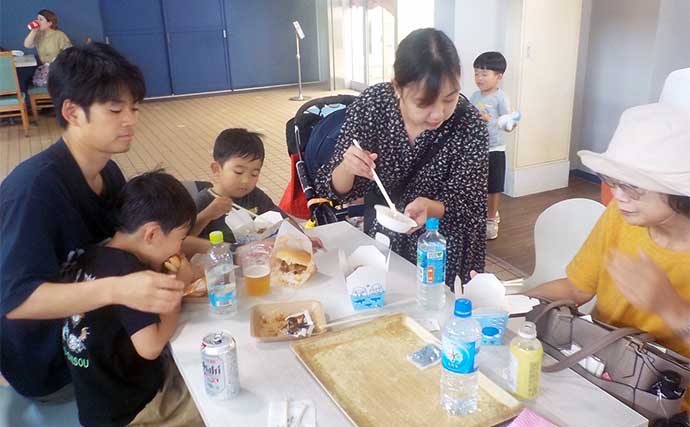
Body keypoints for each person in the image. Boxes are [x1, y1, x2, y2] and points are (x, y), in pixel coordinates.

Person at [0, 43, 184, 401]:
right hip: (59, 365)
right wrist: (118, 289)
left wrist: (209, 247)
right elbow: (15, 301)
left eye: (133, 108)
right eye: (115, 109)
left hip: (102, 339)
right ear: (72, 111)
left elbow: (134, 234)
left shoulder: (106, 171)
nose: (131, 120)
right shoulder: (33, 193)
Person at [525, 103, 690, 404]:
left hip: (667, 403)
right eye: (613, 183)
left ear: (679, 191)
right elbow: (577, 287)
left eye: (633, 187)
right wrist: (510, 304)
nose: (618, 196)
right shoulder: (621, 216)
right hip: (601, 369)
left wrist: (672, 309)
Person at [313, 28, 489, 284]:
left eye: (448, 100)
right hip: (383, 240)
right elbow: (332, 190)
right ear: (397, 87)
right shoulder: (374, 105)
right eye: (423, 103)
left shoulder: (469, 123)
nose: (438, 114)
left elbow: (471, 205)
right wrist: (348, 167)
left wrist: (432, 209)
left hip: (441, 248)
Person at [62, 171, 202, 427]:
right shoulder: (130, 274)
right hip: (132, 412)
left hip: (94, 405)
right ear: (151, 234)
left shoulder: (95, 253)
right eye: (180, 239)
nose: (180, 249)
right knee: (214, 400)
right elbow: (150, 347)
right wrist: (177, 286)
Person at [192, 128, 285, 243]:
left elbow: (283, 219)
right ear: (217, 169)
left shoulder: (255, 196)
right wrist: (208, 214)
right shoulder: (204, 201)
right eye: (238, 172)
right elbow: (182, 240)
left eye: (254, 174)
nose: (246, 180)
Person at [470, 51, 514, 240]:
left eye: (484, 74)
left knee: (493, 187)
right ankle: (479, 216)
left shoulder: (501, 98)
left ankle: (491, 219)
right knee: (477, 185)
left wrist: (496, 120)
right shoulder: (474, 96)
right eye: (477, 73)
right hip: (476, 149)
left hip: (494, 149)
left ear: (499, 77)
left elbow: (509, 125)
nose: (479, 78)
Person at [23, 9, 72, 86]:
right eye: (37, 19)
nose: (38, 21)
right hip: (45, 68)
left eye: (41, 19)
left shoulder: (59, 35)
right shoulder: (38, 35)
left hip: (58, 69)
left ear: (49, 23)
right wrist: (34, 31)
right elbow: (27, 45)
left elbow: (70, 52)